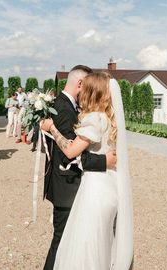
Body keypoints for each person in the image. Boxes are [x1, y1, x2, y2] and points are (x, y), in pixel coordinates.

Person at [41, 72, 133, 270]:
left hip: (95, 191)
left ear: (90, 92)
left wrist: (52, 128)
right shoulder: (109, 119)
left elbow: (71, 151)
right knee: (102, 242)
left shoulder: (94, 118)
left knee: (86, 246)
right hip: (110, 187)